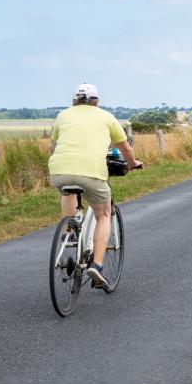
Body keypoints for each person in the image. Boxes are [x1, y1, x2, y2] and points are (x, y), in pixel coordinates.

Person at [49, 83, 142, 286]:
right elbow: (124, 146)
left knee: (68, 192)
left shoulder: (63, 115)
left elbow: (54, 145)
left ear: (74, 101)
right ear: (96, 101)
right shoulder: (106, 117)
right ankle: (97, 265)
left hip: (58, 170)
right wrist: (134, 163)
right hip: (91, 171)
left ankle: (69, 232)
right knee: (104, 214)